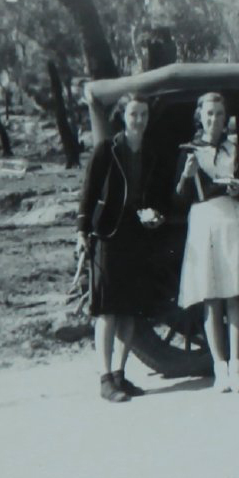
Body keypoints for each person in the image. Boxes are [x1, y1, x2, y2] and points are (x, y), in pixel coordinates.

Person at [77, 94, 164, 402]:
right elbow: (89, 190)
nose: (139, 120)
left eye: (143, 115)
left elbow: (154, 195)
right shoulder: (107, 149)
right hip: (108, 233)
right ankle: (104, 378)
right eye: (133, 114)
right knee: (107, 309)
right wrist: (82, 230)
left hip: (136, 234)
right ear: (123, 117)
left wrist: (155, 215)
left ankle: (119, 375)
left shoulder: (150, 152)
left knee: (129, 310)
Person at [175, 92, 239, 393]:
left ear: (225, 119)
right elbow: (179, 198)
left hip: (232, 219)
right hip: (204, 221)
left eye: (219, 114)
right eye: (209, 113)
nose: (214, 119)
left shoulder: (235, 151)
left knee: (234, 295)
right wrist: (186, 177)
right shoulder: (189, 151)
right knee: (211, 297)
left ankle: (237, 366)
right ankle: (219, 368)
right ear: (200, 116)